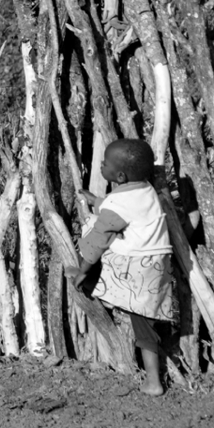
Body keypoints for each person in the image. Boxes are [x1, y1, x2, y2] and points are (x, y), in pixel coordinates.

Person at [65, 139, 176, 396]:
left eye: (104, 163)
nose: (101, 165)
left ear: (120, 175)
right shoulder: (145, 189)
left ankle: (89, 282)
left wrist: (82, 270)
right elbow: (123, 207)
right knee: (143, 319)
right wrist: (97, 201)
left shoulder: (118, 204)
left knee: (93, 230)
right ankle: (153, 379)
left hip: (133, 264)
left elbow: (97, 242)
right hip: (156, 264)